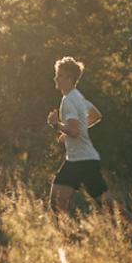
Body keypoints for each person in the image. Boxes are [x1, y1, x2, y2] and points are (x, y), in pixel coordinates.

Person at [46, 56, 114, 214]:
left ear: (69, 78)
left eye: (60, 75)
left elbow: (75, 132)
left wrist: (56, 124)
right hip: (79, 159)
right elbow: (95, 115)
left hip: (82, 161)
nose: (56, 78)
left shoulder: (69, 100)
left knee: (108, 207)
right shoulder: (77, 96)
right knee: (57, 200)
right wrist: (69, 131)